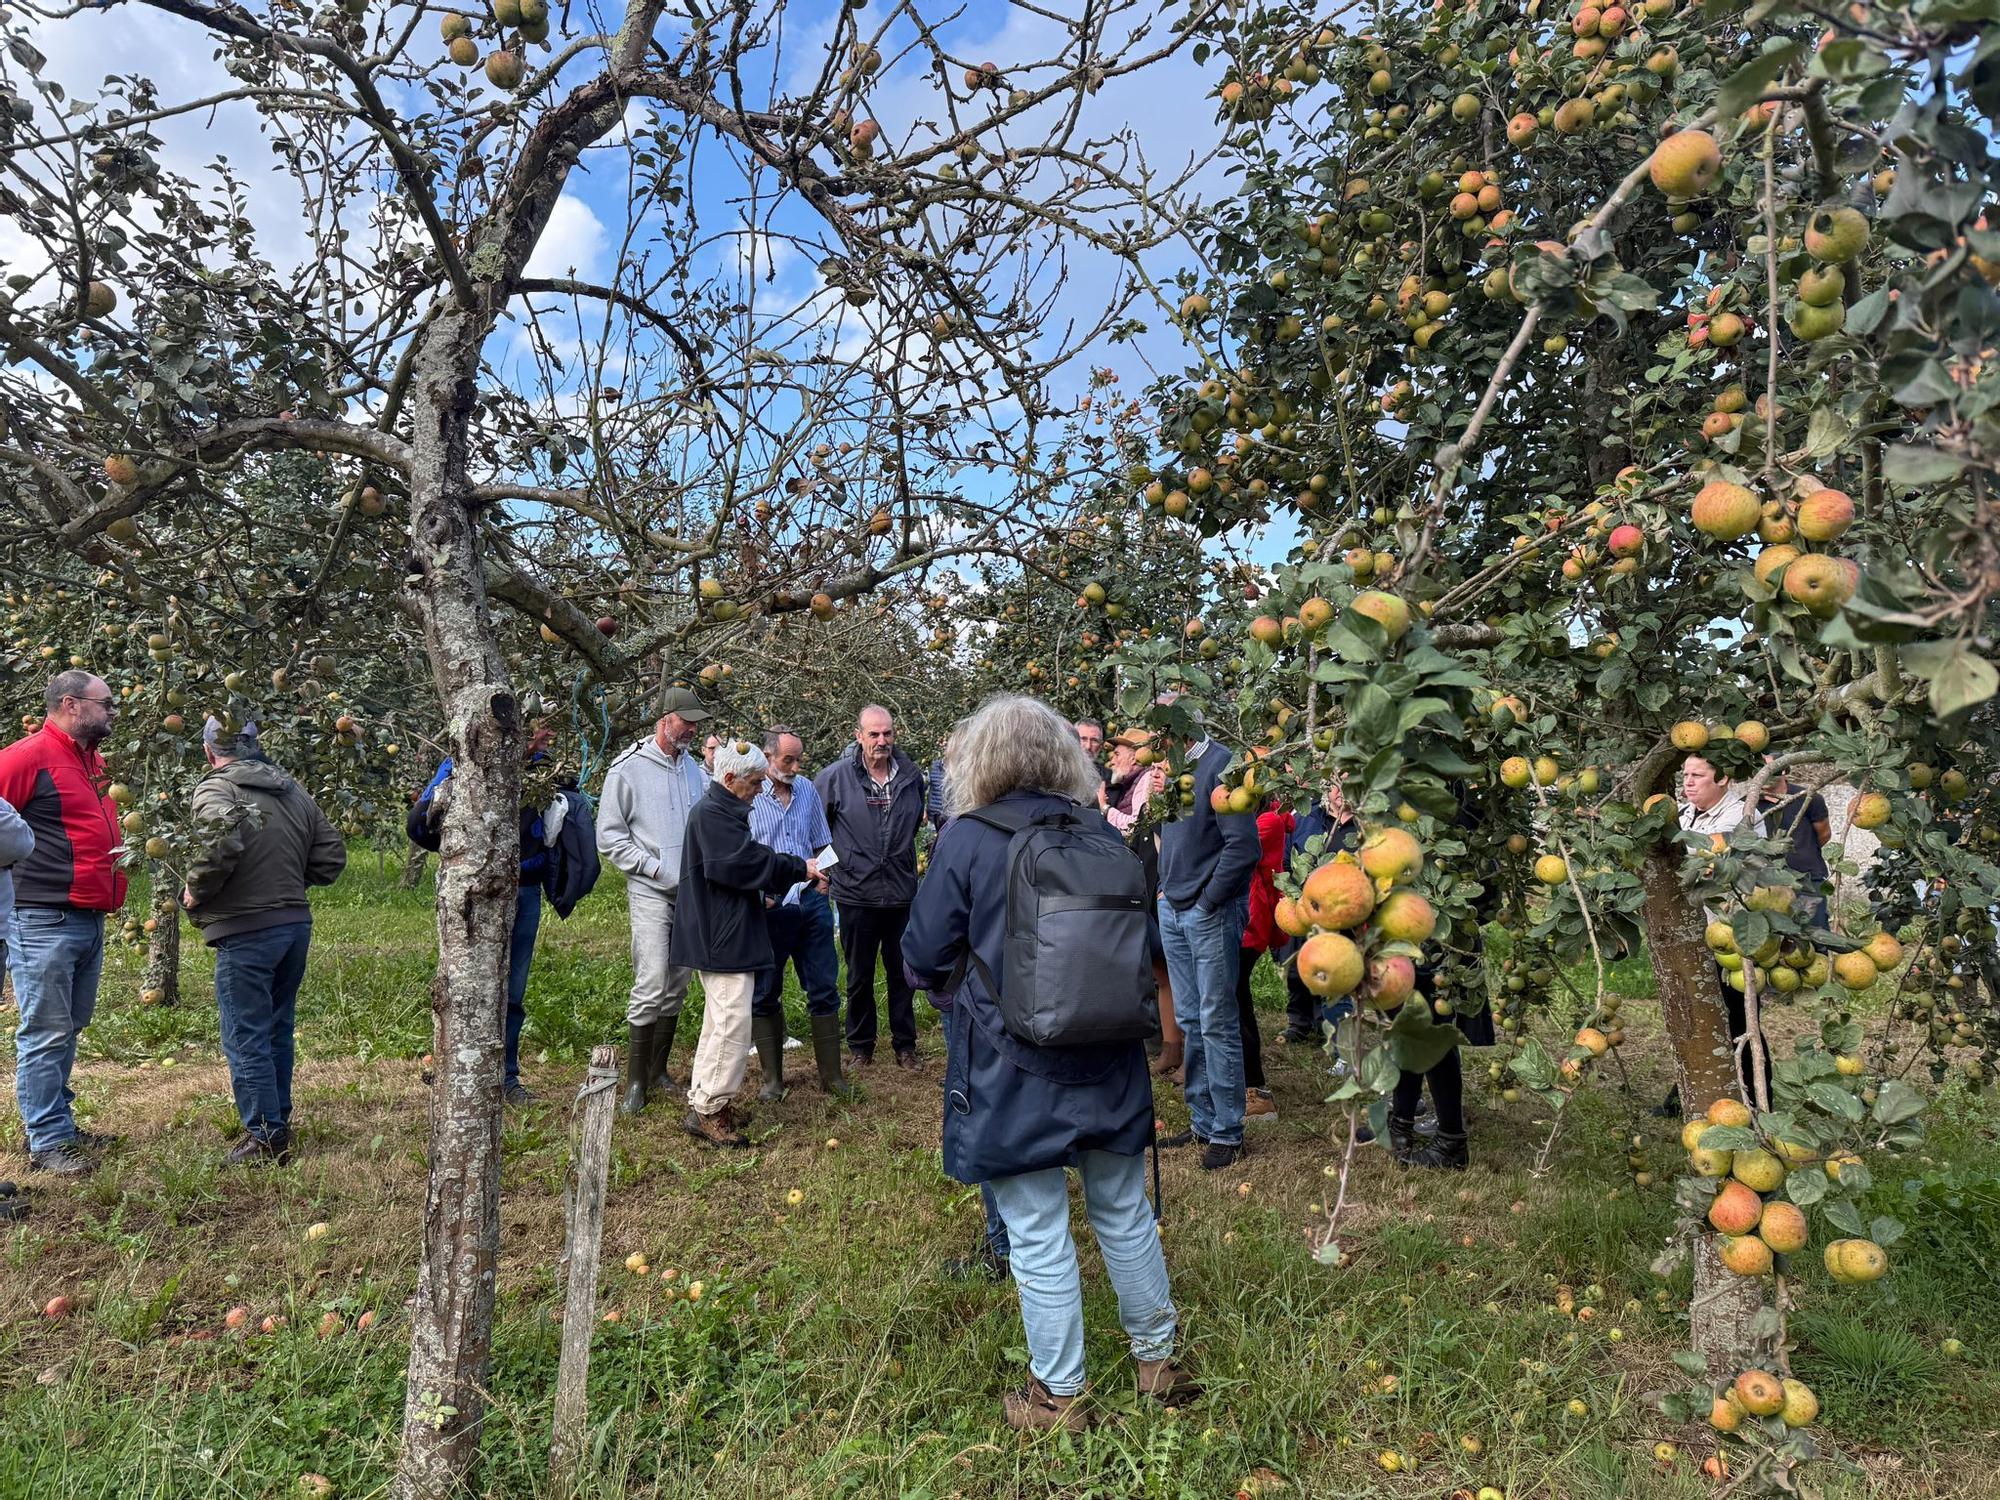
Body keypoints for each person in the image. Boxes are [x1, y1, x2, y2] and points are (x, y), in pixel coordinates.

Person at [904, 695, 1197, 1429]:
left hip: (1011, 1062)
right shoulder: (1104, 835)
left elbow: (921, 952)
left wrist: (958, 992)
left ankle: (1059, 1396)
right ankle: (1158, 1362)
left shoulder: (968, 839)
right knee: (1125, 1211)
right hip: (1108, 1052)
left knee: (1037, 1230)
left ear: (980, 759)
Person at [180, 719, 346, 1164]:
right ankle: (277, 1118)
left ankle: (267, 1137)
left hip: (246, 928)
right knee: (277, 1026)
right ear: (255, 746)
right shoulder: (293, 790)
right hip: (293, 924)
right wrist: (287, 882)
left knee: (245, 1032)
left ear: (208, 749)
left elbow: (219, 842)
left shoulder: (217, 789)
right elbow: (331, 856)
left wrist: (196, 889)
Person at [409, 719, 596, 1106]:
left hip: (522, 894)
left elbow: (552, 841)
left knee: (512, 990)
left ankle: (506, 1078)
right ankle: (457, 1071)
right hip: (471, 894)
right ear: (520, 730)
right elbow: (420, 823)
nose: (550, 736)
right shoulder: (468, 765)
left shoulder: (545, 773)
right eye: (543, 729)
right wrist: (464, 857)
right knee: (462, 988)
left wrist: (529, 865)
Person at [0, 671, 127, 1177]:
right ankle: (47, 1140)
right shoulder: (25, 758)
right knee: (47, 1030)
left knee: (68, 1026)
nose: (113, 711)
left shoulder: (94, 763)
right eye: (106, 702)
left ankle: (60, 1123)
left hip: (87, 916)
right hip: (42, 916)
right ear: (72, 705)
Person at [672, 739, 816, 1148]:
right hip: (722, 935)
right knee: (733, 1024)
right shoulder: (716, 814)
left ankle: (704, 1099)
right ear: (730, 778)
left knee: (718, 1022)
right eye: (754, 783)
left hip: (722, 928)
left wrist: (764, 889)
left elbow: (736, 866)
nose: (759, 790)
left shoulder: (720, 810)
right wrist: (796, 867)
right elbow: (741, 863)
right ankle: (711, 1109)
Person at [1155, 702, 1262, 1169]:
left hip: (1207, 912)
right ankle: (1202, 1119)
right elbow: (1172, 837)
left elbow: (1244, 847)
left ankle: (1228, 1130)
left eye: (1156, 735)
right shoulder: (1171, 770)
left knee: (1216, 1018)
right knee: (1191, 1018)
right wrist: (1163, 888)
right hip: (1173, 907)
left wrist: (1206, 902)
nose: (1149, 747)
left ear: (1177, 728)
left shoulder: (1221, 766)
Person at [597, 687, 712, 1115]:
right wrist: (654, 868)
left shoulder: (693, 770)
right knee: (651, 980)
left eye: (696, 722)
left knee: (678, 981)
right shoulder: (627, 769)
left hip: (689, 892)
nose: (693, 728)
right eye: (687, 721)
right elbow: (609, 836)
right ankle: (635, 1083)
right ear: (664, 719)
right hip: (651, 889)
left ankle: (658, 1070)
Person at [817, 704, 925, 1069]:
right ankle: (861, 1047)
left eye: (888, 734)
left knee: (902, 973)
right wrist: (835, 868)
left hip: (899, 892)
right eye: (874, 734)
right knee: (859, 975)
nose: (882, 741)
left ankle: (905, 1045)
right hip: (855, 892)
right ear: (858, 735)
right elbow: (818, 831)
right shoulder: (834, 778)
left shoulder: (911, 777)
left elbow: (911, 826)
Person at [749, 727, 847, 1099]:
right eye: (786, 759)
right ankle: (773, 1079)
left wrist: (824, 882)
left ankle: (832, 1076)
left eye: (798, 759)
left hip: (810, 900)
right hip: (772, 904)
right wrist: (760, 893)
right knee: (765, 990)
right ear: (767, 755)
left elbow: (823, 841)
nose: (794, 766)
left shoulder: (806, 789)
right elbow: (744, 852)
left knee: (824, 985)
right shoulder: (752, 794)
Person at [1667, 754, 1768, 1109]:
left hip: (1732, 934)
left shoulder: (1742, 817)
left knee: (1738, 1015)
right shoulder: (1686, 814)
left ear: (1723, 779)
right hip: (1701, 934)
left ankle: (1758, 1095)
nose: (1688, 782)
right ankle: (1685, 1091)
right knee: (1702, 1011)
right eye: (1685, 775)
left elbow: (1702, 857)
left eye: (1698, 775)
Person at [1102, 729, 1184, 1078]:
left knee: (1173, 968)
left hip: (1157, 878)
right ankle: (1171, 1047)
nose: (1113, 759)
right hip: (1147, 878)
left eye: (1118, 752)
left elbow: (1138, 826)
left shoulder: (1151, 781)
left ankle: (1184, 1050)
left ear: (1135, 755)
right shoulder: (1133, 782)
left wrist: (1104, 809)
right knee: (1162, 970)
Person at [1234, 797, 1294, 1123]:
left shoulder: (1269, 820)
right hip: (1246, 918)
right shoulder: (1261, 816)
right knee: (1235, 996)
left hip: (1251, 922)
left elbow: (1233, 845)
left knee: (1237, 999)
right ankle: (1244, 1083)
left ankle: (1255, 1088)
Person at [1759, 759, 1833, 929]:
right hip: (1769, 886)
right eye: (1759, 769)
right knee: (1778, 941)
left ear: (1784, 771)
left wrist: (1802, 854)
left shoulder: (1808, 798)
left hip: (1807, 880)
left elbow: (1824, 834)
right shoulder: (1748, 805)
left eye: (1770, 769)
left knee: (1814, 934)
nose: (1763, 774)